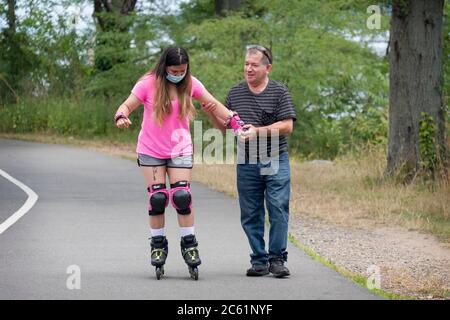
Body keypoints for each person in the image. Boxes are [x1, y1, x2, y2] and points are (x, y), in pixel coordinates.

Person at [114, 46, 245, 279]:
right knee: (157, 198)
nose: (178, 74)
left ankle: (189, 244)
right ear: (165, 67)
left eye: (183, 70)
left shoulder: (191, 83)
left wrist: (235, 122)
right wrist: (122, 116)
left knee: (181, 197)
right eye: (174, 70)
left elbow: (215, 104)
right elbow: (126, 105)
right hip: (151, 149)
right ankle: (157, 244)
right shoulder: (147, 83)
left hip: (179, 148)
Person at [205, 45, 296, 278]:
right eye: (246, 64)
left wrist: (258, 131)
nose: (248, 68)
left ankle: (277, 259)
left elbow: (287, 126)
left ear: (268, 68)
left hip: (274, 157)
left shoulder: (279, 91)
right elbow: (224, 128)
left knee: (277, 208)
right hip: (246, 161)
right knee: (250, 212)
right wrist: (210, 112)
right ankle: (259, 260)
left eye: (254, 65)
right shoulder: (235, 93)